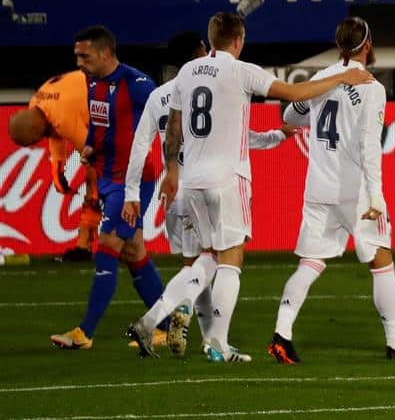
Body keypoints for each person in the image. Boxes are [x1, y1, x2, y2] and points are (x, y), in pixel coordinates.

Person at [149, 12, 373, 362]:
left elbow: (174, 128)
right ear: (239, 41)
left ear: (210, 40)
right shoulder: (241, 70)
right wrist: (344, 76)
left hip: (190, 180)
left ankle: (171, 312)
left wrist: (171, 171)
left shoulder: (187, 73)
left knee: (206, 256)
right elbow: (296, 93)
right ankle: (217, 342)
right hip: (227, 179)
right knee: (231, 260)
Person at [122, 31, 296, 358]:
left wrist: (132, 192)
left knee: (197, 265)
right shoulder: (214, 86)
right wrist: (277, 136)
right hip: (212, 184)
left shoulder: (159, 96)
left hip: (176, 194)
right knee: (212, 262)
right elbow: (242, 137)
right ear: (203, 50)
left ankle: (204, 338)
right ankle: (184, 324)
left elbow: (139, 146)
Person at [268, 17, 395, 364]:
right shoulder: (371, 87)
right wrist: (377, 195)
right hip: (353, 191)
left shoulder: (320, 76)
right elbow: (371, 144)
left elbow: (292, 116)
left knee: (310, 263)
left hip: (318, 186)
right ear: (368, 45)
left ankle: (282, 333)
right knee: (380, 259)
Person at [49, 26, 167, 350]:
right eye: (76, 56)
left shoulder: (139, 84)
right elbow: (98, 125)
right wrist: (88, 147)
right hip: (107, 178)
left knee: (107, 247)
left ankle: (84, 332)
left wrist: (177, 167)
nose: (79, 62)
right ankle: (166, 327)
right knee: (134, 252)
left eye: (84, 56)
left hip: (132, 182)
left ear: (104, 53)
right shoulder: (92, 82)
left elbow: (170, 118)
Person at [7, 71, 100, 262]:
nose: (37, 142)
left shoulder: (63, 117)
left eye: (33, 140)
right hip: (97, 100)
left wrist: (93, 188)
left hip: (118, 105)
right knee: (99, 185)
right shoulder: (37, 105)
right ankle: (87, 247)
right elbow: (53, 134)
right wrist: (58, 172)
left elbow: (94, 154)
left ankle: (94, 245)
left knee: (98, 185)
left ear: (34, 129)